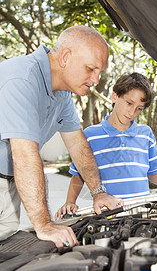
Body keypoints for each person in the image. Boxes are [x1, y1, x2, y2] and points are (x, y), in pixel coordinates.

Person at [0, 25, 122, 251]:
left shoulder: (62, 94)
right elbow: (24, 154)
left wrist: (98, 193)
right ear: (65, 57)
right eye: (91, 69)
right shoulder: (22, 78)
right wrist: (44, 224)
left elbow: (77, 143)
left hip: (9, 184)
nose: (96, 79)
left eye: (100, 72)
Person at [55, 73, 157, 219]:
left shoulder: (146, 134)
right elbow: (78, 175)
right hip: (109, 215)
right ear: (115, 96)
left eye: (139, 108)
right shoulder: (90, 135)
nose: (132, 112)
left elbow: (153, 172)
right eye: (129, 103)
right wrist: (70, 202)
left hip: (143, 214)